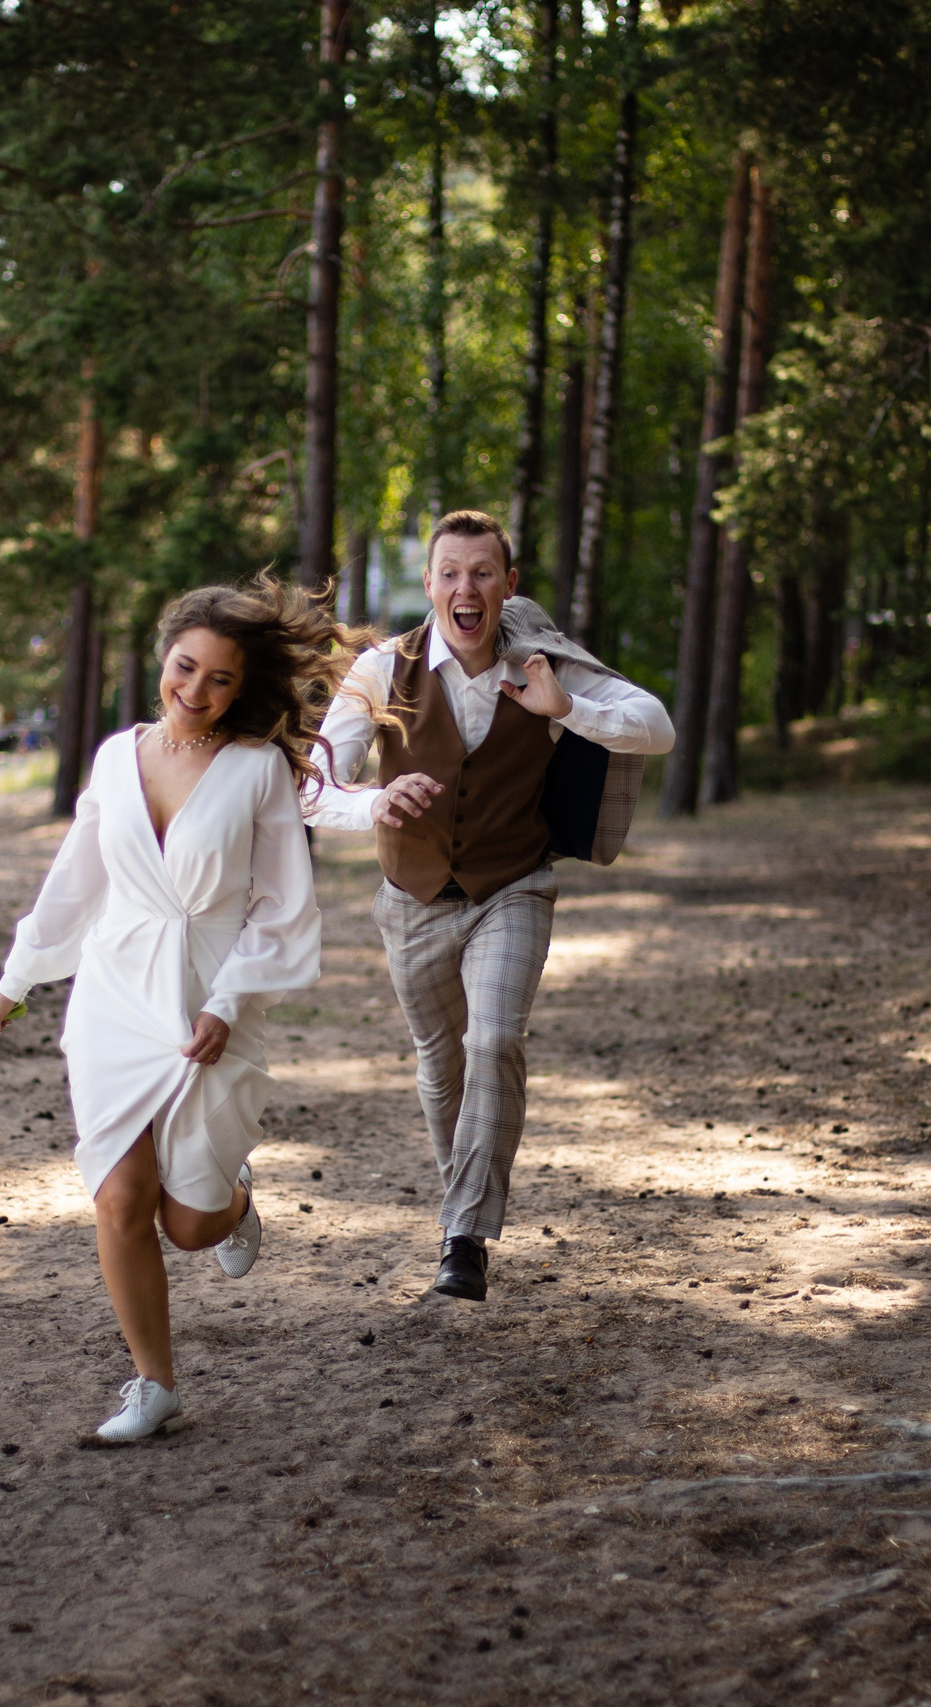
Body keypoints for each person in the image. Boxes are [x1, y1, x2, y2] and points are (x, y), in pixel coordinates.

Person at [0, 577, 377, 1442]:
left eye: (220, 679)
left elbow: (282, 906)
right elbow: (76, 881)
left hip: (209, 999)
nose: (195, 690)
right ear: (164, 656)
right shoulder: (117, 757)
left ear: (241, 687)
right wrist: (12, 984)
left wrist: (230, 1000)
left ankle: (232, 1198)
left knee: (187, 1225)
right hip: (114, 995)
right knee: (119, 1197)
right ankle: (153, 1384)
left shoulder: (259, 769)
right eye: (185, 666)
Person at [306, 510, 672, 1301]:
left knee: (496, 1035)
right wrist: (372, 800)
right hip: (412, 898)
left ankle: (464, 1235)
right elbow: (315, 785)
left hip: (514, 884)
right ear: (430, 585)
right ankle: (458, 1207)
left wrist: (566, 711)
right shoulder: (380, 672)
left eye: (482, 573)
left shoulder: (546, 665)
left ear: (509, 586)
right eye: (449, 573)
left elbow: (657, 726)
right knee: (441, 1064)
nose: (464, 588)